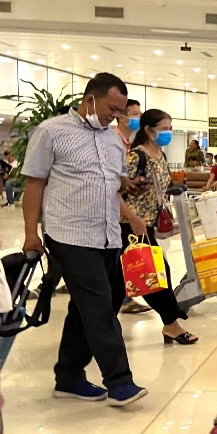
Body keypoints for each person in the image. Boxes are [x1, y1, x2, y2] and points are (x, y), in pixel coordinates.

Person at [20, 72, 149, 407]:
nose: (116, 117)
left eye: (121, 111)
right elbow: (34, 185)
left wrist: (129, 196)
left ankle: (68, 377)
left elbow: (112, 184)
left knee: (86, 308)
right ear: (90, 99)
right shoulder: (51, 131)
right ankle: (120, 382)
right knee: (99, 307)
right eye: (112, 108)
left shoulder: (112, 141)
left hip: (106, 235)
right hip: (69, 234)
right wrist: (31, 233)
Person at [116, 109, 198, 345]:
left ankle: (100, 327)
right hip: (129, 228)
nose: (168, 133)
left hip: (146, 225)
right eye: (164, 129)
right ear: (149, 130)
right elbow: (113, 192)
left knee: (120, 280)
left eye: (170, 128)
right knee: (154, 274)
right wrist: (133, 217)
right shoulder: (136, 157)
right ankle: (171, 324)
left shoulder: (160, 156)